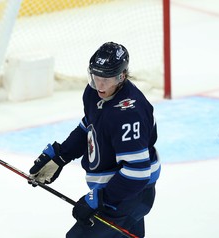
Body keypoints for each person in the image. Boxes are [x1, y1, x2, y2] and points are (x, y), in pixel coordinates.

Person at [29, 42, 161, 238]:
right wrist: (61, 156)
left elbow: (137, 172)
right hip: (118, 192)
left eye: (106, 79)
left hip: (129, 196)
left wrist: (101, 198)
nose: (99, 85)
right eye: (96, 77)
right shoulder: (93, 94)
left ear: (121, 76)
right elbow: (89, 129)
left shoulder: (129, 113)